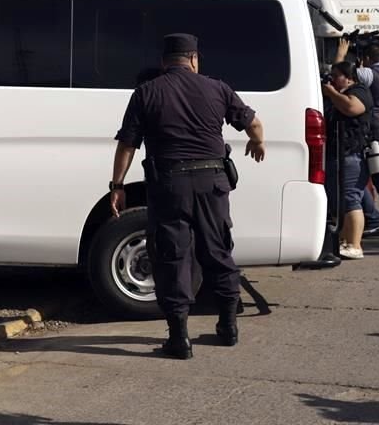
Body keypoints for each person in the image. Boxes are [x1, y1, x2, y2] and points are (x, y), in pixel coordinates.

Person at [110, 33, 265, 360]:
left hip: (169, 186)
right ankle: (228, 326)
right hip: (212, 182)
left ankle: (179, 338)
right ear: (194, 59)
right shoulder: (217, 88)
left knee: (173, 256)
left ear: (164, 62)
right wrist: (257, 142)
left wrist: (117, 185)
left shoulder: (146, 93)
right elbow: (254, 123)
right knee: (218, 249)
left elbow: (127, 144)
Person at [335, 38, 379, 237]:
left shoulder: (369, 73)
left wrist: (342, 54)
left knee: (364, 178)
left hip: (374, 132)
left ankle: (378, 219)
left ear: (367, 59)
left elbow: (341, 74)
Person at [322, 61, 373, 260]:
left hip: (352, 154)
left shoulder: (360, 91)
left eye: (336, 75)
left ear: (349, 77)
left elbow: (352, 108)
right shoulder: (338, 95)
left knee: (351, 199)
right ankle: (345, 239)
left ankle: (355, 244)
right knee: (340, 200)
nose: (333, 80)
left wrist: (332, 93)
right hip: (337, 154)